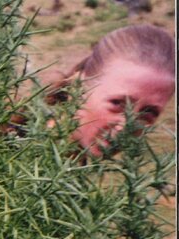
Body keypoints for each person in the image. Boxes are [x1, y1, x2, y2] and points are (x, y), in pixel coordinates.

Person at [49, 25, 175, 157]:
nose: (126, 127)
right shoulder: (35, 158)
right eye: (117, 103)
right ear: (77, 87)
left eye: (149, 112)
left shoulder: (70, 160)